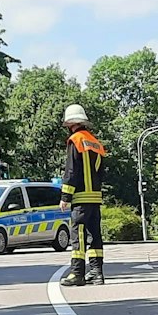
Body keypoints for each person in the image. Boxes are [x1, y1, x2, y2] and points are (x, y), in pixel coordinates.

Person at [59, 103, 108, 287]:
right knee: (94, 234)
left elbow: (71, 171)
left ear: (70, 123)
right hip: (95, 198)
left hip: (80, 199)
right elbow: (101, 172)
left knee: (78, 235)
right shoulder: (96, 143)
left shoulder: (75, 140)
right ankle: (97, 273)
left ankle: (77, 273)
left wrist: (65, 197)